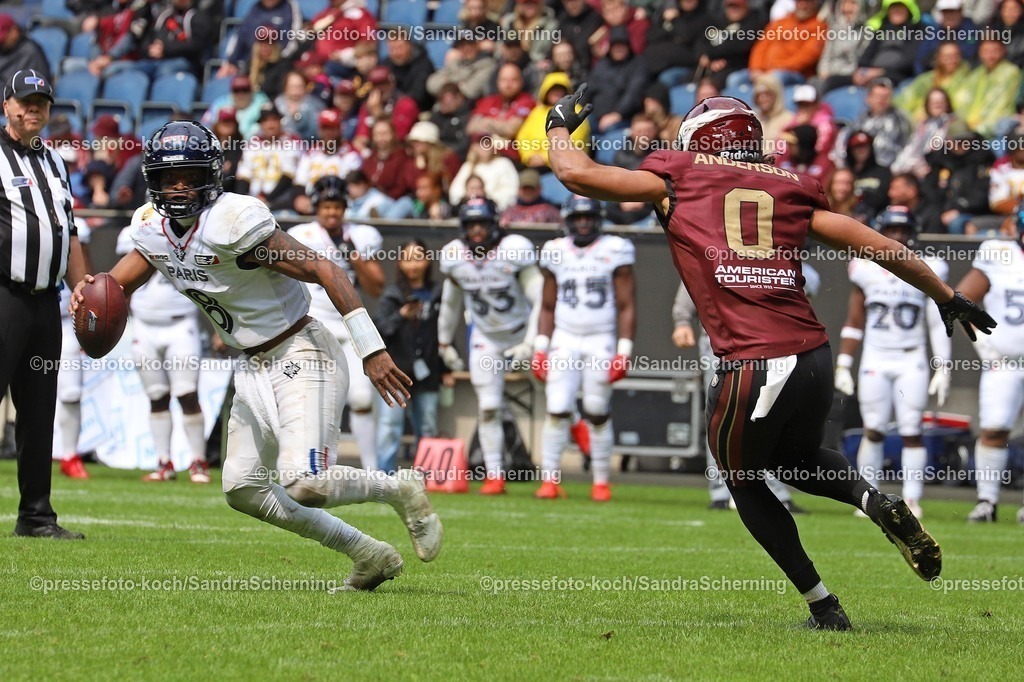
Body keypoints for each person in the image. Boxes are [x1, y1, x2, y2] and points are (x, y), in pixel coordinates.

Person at [545, 85, 996, 628]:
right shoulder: (790, 186)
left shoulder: (678, 175)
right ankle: (876, 502)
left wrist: (556, 125)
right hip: (813, 354)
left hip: (752, 361)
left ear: (697, 140)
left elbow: (575, 175)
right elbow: (878, 245)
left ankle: (824, 607)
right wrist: (946, 295)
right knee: (795, 460)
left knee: (741, 479)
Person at [72, 121, 440, 589]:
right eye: (169, 178)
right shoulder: (152, 228)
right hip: (252, 364)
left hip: (301, 350)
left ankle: (399, 487)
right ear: (153, 180)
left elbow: (324, 268)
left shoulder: (232, 220)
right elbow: (115, 285)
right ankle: (367, 553)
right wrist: (89, 290)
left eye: (189, 176)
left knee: (306, 482)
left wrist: (372, 348)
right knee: (243, 489)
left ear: (211, 176)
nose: (179, 187)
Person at [1, 70, 86, 539]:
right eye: (25, 101)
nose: (34, 108)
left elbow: (68, 232)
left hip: (44, 303)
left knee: (38, 411)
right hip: (4, 296)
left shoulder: (55, 162)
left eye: (42, 102)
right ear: (7, 105)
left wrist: (80, 288)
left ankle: (35, 516)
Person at [834, 206, 950, 519]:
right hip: (876, 356)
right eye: (892, 230)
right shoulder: (864, 267)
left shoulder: (927, 266)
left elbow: (937, 323)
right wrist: (844, 362)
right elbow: (855, 321)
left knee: (912, 429)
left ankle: (912, 498)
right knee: (873, 428)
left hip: (911, 357)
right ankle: (869, 496)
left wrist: (943, 366)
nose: (898, 236)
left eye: (903, 230)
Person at [532, 196, 635, 501]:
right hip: (564, 337)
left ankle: (601, 481)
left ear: (598, 218)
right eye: (577, 218)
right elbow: (547, 306)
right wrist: (540, 348)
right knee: (557, 407)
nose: (583, 223)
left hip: (600, 338)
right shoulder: (555, 251)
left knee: (596, 409)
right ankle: (549, 480)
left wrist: (624, 351)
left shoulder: (615, 249)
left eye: (588, 217)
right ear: (568, 220)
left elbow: (627, 305)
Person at [437, 197, 543, 494]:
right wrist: (444, 342)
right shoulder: (455, 256)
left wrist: (531, 342)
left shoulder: (514, 249)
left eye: (482, 223)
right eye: (471, 224)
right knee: (488, 407)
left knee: (557, 400)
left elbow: (541, 300)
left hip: (523, 333)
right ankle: (494, 475)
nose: (477, 230)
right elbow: (450, 304)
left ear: (494, 224)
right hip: (486, 338)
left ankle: (565, 452)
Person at [287, 175, 384, 472]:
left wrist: (351, 252)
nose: (332, 212)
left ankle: (372, 470)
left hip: (351, 324)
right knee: (316, 399)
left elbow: (376, 286)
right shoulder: (300, 234)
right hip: (314, 324)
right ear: (316, 207)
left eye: (337, 206)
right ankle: (315, 467)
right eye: (327, 206)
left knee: (362, 398)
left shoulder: (361, 235)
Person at [114, 227, 209, 483]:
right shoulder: (132, 232)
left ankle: (198, 461)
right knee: (156, 396)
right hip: (144, 325)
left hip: (181, 323)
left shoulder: (192, 233)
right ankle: (164, 462)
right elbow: (121, 283)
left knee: (187, 394)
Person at [952, 208, 1024, 524]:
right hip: (1005, 361)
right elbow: (961, 298)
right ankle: (987, 501)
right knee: (994, 428)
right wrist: (982, 344)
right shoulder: (998, 253)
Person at [373, 240, 452, 473]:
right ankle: (385, 476)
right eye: (407, 259)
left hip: (428, 370)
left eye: (418, 258)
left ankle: (425, 477)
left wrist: (447, 368)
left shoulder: (438, 292)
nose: (413, 265)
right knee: (390, 425)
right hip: (395, 371)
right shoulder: (393, 294)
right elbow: (379, 329)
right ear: (399, 263)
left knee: (427, 426)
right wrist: (401, 315)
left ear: (428, 260)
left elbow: (446, 331)